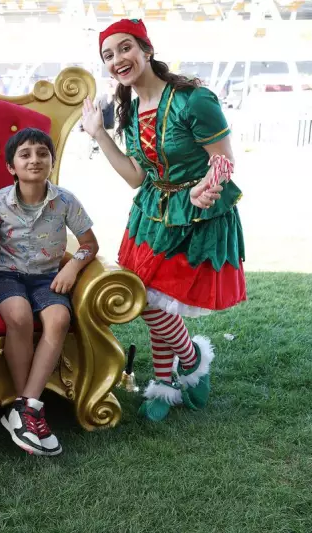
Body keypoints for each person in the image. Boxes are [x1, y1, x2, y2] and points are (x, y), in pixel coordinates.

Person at [80, 19, 246, 422]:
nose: (118, 59)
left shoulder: (193, 99)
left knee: (155, 302)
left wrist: (204, 189)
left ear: (146, 50)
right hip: (153, 213)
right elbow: (137, 177)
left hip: (197, 212)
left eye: (125, 49)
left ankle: (181, 370)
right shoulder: (133, 113)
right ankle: (179, 372)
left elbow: (224, 161)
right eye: (109, 55)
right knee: (149, 300)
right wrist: (100, 135)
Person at [0, 128, 99, 456]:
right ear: (11, 166)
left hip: (47, 277)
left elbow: (89, 244)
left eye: (42, 153)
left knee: (59, 318)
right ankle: (30, 411)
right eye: (25, 155)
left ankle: (24, 410)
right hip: (4, 276)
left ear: (52, 161)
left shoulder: (65, 200)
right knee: (20, 316)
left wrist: (72, 266)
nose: (34, 160)